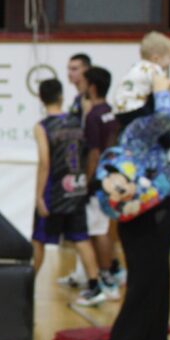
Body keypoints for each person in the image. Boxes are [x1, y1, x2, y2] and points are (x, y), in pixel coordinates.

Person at [90, 69, 170, 340]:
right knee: (143, 292)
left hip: (161, 213)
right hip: (145, 219)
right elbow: (167, 112)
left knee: (158, 293)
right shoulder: (141, 127)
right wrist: (160, 82)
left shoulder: (157, 134)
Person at [30, 79, 102, 303]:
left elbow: (45, 162)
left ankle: (26, 286)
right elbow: (88, 153)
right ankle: (95, 285)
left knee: (39, 240)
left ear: (41, 99)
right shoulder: (76, 122)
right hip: (76, 187)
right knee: (81, 237)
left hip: (54, 191)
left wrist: (39, 196)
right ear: (61, 96)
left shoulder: (43, 126)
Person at [57, 66, 124, 300]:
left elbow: (94, 152)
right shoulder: (109, 112)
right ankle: (108, 273)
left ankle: (106, 278)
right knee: (101, 228)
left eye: (84, 81)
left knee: (97, 231)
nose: (80, 86)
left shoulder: (95, 116)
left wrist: (86, 181)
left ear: (92, 87)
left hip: (97, 181)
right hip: (110, 177)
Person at [113, 31, 170, 158]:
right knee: (159, 124)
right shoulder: (154, 69)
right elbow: (168, 91)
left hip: (121, 113)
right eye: (169, 57)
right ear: (156, 58)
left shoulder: (135, 68)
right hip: (137, 111)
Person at [66, 53, 91, 118]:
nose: (69, 73)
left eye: (74, 69)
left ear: (86, 70)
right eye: (69, 69)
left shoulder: (89, 97)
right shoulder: (78, 97)